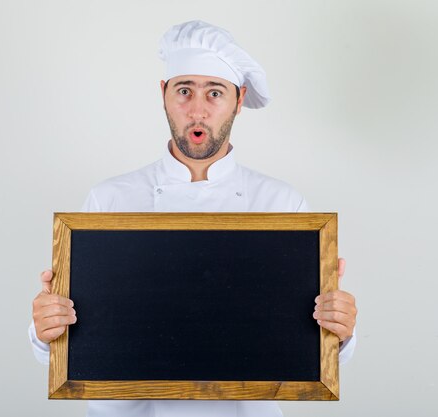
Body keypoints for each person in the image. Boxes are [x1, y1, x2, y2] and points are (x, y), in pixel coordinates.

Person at [29, 20, 357, 417]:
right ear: (163, 94)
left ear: (239, 100)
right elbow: (78, 347)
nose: (197, 110)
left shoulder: (282, 204)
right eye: (184, 91)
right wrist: (46, 330)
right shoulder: (108, 201)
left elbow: (310, 351)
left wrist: (338, 331)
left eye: (214, 93)